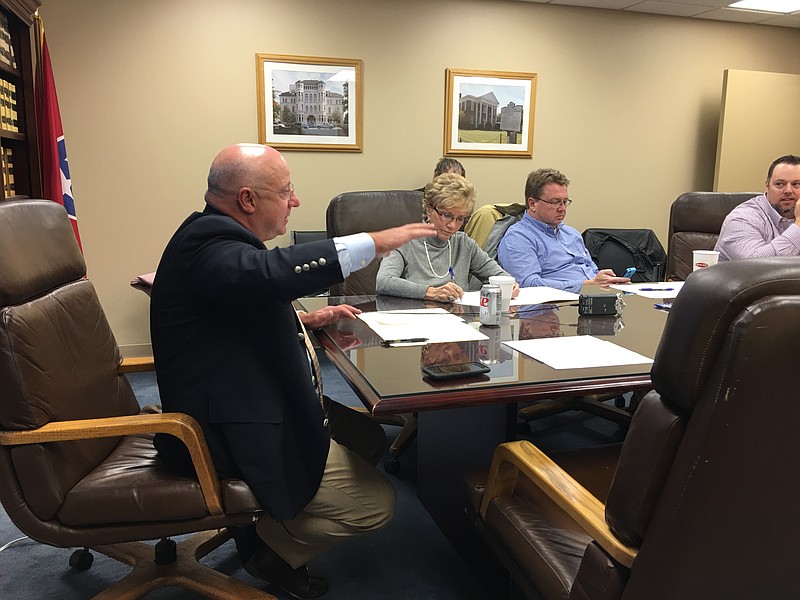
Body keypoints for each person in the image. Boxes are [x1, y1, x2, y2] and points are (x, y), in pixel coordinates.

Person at [149, 143, 436, 599]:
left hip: (250, 390)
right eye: (286, 191)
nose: (295, 200)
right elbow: (266, 274)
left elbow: (236, 301)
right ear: (247, 199)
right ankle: (270, 547)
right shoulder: (207, 243)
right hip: (225, 426)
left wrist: (301, 319)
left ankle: (274, 513)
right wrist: (373, 242)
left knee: (366, 438)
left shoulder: (211, 235)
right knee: (376, 505)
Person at [376, 173, 519, 302]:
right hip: (417, 320)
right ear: (428, 209)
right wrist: (430, 292)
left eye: (460, 219)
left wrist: (510, 285)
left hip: (459, 320)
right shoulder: (405, 241)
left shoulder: (463, 243)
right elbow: (384, 281)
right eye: (446, 215)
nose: (452, 225)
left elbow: (499, 275)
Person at [497, 168, 630, 292]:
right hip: (552, 308)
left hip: (592, 298)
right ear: (532, 204)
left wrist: (609, 281)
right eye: (555, 202)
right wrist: (588, 284)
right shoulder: (518, 237)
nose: (562, 208)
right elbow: (529, 285)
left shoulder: (571, 233)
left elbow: (592, 271)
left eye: (565, 202)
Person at [715, 154, 800, 261]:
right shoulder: (742, 218)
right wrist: (798, 227)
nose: (788, 190)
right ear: (767, 186)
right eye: (780, 184)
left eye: (796, 184)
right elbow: (754, 265)